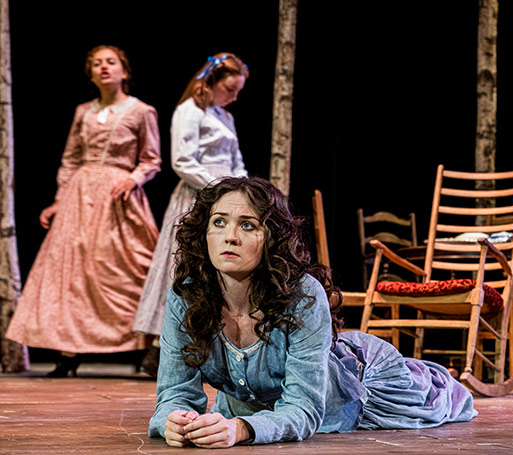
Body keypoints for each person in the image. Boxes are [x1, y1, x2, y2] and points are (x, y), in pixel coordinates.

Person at [148, 176, 477, 448]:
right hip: (259, 406)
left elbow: (303, 409)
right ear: (204, 233)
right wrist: (172, 423)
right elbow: (175, 396)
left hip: (358, 385)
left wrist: (243, 429)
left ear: (270, 238)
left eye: (248, 225)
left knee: (437, 396)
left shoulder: (303, 295)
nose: (230, 237)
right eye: (219, 222)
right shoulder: (187, 295)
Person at [6, 45, 161, 376]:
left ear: (124, 70)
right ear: (90, 73)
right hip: (80, 196)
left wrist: (133, 178)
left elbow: (151, 159)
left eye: (110, 62)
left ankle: (142, 346)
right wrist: (59, 200)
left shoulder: (141, 111)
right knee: (71, 272)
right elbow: (71, 159)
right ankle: (68, 353)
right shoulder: (83, 111)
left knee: (122, 269)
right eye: (96, 63)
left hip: (119, 198)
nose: (103, 67)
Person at [132, 53, 249, 376]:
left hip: (226, 196)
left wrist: (242, 189)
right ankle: (160, 348)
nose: (234, 96)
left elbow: (236, 159)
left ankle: (210, 342)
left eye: (237, 91)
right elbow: (182, 161)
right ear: (210, 82)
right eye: (229, 88)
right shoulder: (189, 111)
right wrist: (217, 188)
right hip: (198, 196)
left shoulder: (225, 117)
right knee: (184, 264)